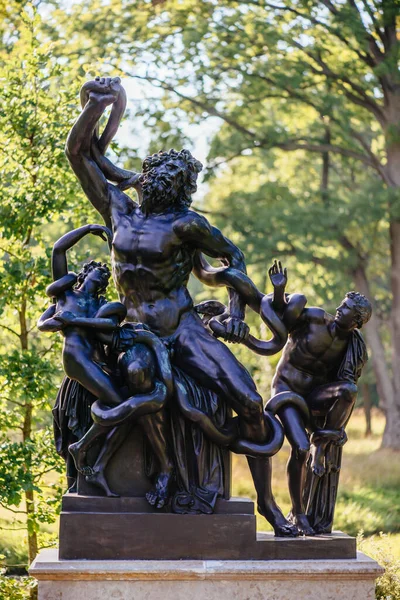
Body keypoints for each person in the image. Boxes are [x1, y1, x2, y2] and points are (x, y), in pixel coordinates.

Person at [65, 76, 297, 535]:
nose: (159, 186)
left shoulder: (187, 224)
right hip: (136, 332)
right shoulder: (117, 210)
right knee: (137, 378)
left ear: (179, 191)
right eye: (155, 177)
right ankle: (166, 470)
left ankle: (269, 507)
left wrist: (234, 308)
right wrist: (96, 105)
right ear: (145, 177)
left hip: (184, 327)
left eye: (171, 183)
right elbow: (78, 152)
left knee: (251, 401)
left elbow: (233, 256)